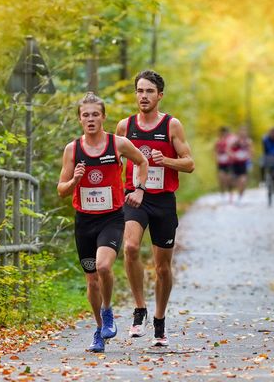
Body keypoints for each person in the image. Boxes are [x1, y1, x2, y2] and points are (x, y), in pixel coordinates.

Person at [58, 92, 148, 353]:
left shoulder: (117, 143)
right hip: (84, 221)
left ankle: (108, 311)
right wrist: (74, 180)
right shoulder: (72, 149)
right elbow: (61, 189)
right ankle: (99, 330)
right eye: (85, 115)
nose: (90, 119)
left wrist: (139, 189)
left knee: (103, 267)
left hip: (111, 218)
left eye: (95, 114)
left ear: (103, 117)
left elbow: (142, 162)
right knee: (91, 280)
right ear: (79, 120)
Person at [116, 70, 195, 347]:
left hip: (163, 200)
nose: (144, 96)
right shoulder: (125, 127)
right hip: (135, 198)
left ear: (160, 95)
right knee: (131, 248)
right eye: (139, 91)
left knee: (162, 268)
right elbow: (114, 164)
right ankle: (140, 309)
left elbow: (189, 163)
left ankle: (159, 320)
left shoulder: (172, 126)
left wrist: (166, 162)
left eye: (149, 91)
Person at [229, 126, 253, 204]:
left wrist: (249, 157)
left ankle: (240, 196)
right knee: (236, 181)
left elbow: (251, 151)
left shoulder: (248, 142)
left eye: (244, 132)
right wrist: (233, 155)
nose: (243, 133)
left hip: (243, 163)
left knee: (243, 180)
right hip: (235, 163)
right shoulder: (235, 141)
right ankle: (234, 195)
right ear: (239, 133)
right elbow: (228, 149)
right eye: (241, 132)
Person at [215, 126, 234, 203]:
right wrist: (216, 158)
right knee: (221, 179)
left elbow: (234, 150)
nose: (224, 134)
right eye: (222, 133)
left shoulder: (231, 141)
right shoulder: (218, 142)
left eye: (225, 133)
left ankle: (230, 195)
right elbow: (215, 151)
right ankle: (223, 194)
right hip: (221, 163)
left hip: (229, 163)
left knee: (229, 180)